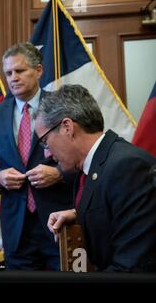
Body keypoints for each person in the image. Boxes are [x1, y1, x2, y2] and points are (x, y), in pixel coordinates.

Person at [0, 42, 72, 270]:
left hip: (58, 218)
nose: (13, 78)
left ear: (38, 70)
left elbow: (83, 155)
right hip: (16, 224)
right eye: (8, 73)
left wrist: (58, 173)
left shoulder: (62, 107)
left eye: (20, 71)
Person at [36, 84, 156, 272]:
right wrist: (79, 213)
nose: (47, 154)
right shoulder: (90, 168)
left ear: (67, 127)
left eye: (45, 141)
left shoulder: (127, 167)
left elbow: (132, 267)